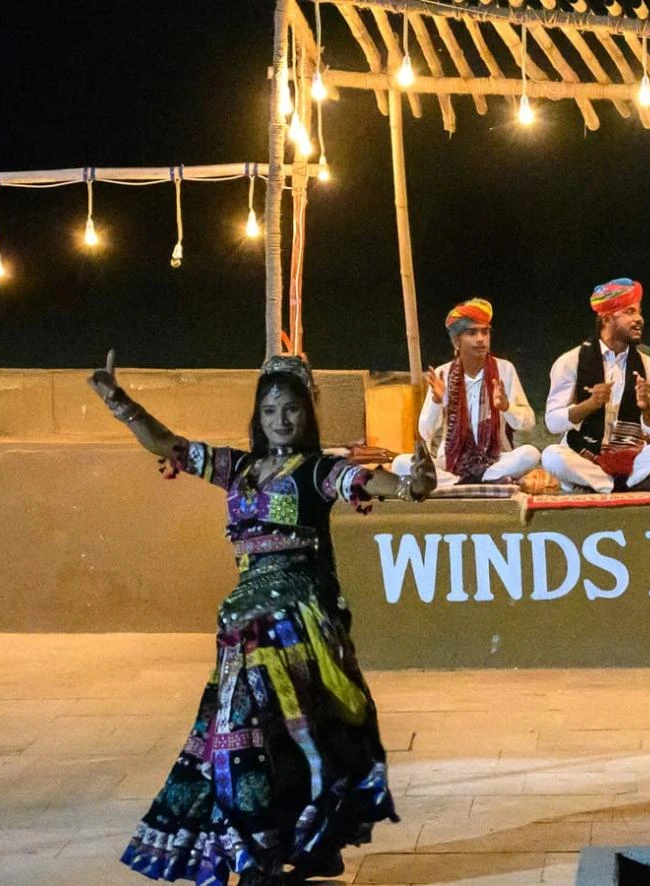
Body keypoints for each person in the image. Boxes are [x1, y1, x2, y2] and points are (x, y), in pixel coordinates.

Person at [92, 351, 435, 885]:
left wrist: (411, 485)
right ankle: (273, 851)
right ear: (258, 415)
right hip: (242, 629)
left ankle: (274, 857)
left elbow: (367, 481)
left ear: (307, 413)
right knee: (249, 739)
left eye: (291, 409)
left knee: (272, 736)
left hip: (295, 627)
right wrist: (121, 403)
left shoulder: (318, 471)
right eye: (270, 410)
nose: (281, 420)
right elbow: (169, 446)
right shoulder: (238, 469)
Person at [542, 278, 650, 493]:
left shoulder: (649, 365)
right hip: (583, 455)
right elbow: (552, 422)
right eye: (630, 312)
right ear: (606, 318)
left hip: (632, 457)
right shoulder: (570, 361)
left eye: (639, 312)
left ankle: (603, 485)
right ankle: (628, 484)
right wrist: (590, 404)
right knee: (552, 456)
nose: (639, 319)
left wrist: (647, 408)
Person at [391, 298, 541, 489]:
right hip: (450, 461)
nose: (480, 339)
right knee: (400, 463)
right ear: (456, 341)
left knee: (530, 453)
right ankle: (470, 481)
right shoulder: (442, 373)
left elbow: (528, 423)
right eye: (472, 333)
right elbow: (425, 431)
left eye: (485, 332)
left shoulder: (504, 369)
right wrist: (437, 402)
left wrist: (506, 407)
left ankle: (466, 481)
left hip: (494, 458)